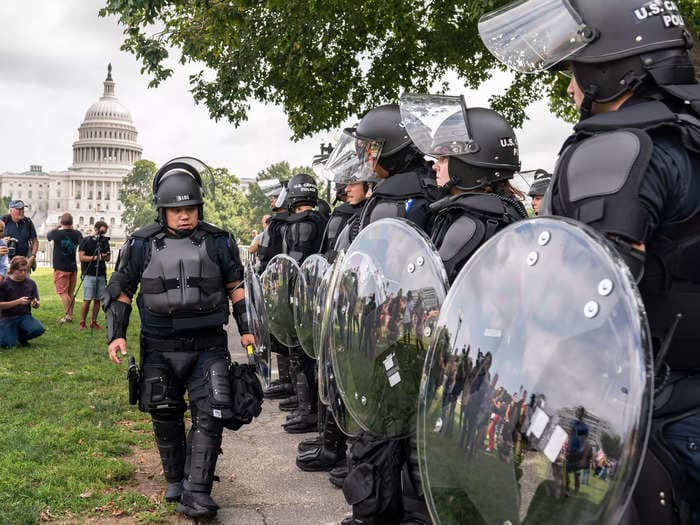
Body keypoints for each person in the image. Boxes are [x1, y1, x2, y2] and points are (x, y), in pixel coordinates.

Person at [479, 1, 700, 522]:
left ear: (610, 65)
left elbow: (589, 306)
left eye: (575, 69)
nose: (569, 87)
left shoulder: (619, 151)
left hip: (648, 423)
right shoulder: (687, 136)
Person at [103, 157, 254, 518]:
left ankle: (197, 490)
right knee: (164, 411)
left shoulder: (219, 241)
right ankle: (175, 478)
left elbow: (236, 287)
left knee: (212, 411)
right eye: (176, 210)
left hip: (208, 346)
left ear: (199, 207)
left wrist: (247, 328)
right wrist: (116, 335)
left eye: (190, 208)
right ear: (163, 211)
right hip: (159, 346)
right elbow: (122, 290)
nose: (184, 216)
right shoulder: (140, 244)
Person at [0, 256, 45, 348]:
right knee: (8, 345)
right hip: (7, 318)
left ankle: (19, 337)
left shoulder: (31, 283)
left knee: (39, 329)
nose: (24, 273)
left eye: (26, 270)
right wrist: (18, 302)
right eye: (20, 270)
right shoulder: (4, 283)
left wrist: (35, 303)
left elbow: (37, 303)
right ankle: (11, 336)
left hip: (25, 316)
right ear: (12, 270)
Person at [47, 213, 83, 323]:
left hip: (60, 267)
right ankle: (70, 314)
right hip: (72, 267)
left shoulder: (56, 233)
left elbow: (48, 236)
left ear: (61, 222)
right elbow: (82, 244)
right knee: (70, 293)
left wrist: (58, 226)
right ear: (72, 223)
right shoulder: (77, 234)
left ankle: (68, 315)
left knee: (63, 292)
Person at [78, 221, 111, 330]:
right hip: (89, 273)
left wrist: (106, 256)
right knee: (87, 299)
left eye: (105, 232)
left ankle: (94, 321)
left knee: (98, 299)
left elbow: (108, 259)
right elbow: (82, 258)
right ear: (96, 229)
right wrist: (97, 257)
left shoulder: (105, 241)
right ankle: (82, 322)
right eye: (102, 232)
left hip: (101, 273)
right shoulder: (85, 240)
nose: (103, 235)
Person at [1, 200, 38, 271]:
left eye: (23, 209)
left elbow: (35, 241)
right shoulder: (3, 220)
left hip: (24, 261)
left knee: (24, 281)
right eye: (19, 209)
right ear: (11, 210)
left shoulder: (28, 222)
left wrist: (32, 257)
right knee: (7, 281)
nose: (22, 211)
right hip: (6, 261)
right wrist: (2, 241)